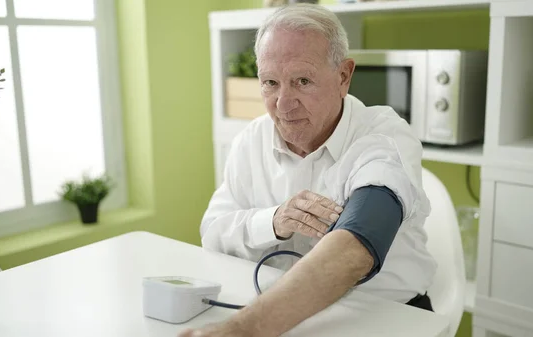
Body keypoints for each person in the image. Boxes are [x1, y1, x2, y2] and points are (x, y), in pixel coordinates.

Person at [180, 4, 436, 337]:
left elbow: (357, 245)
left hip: (385, 318)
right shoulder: (251, 139)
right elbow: (213, 234)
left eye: (302, 81)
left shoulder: (383, 136)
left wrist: (243, 330)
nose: (283, 104)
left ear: (343, 76)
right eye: (270, 82)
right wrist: (272, 221)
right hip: (284, 313)